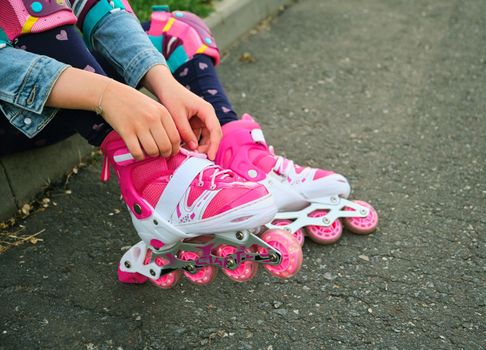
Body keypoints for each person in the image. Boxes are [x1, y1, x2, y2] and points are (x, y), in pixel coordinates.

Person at [0, 0, 303, 288]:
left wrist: (162, 82)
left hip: (55, 86)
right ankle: (149, 173)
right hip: (14, 101)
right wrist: (104, 95)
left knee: (179, 31)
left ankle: (236, 156)